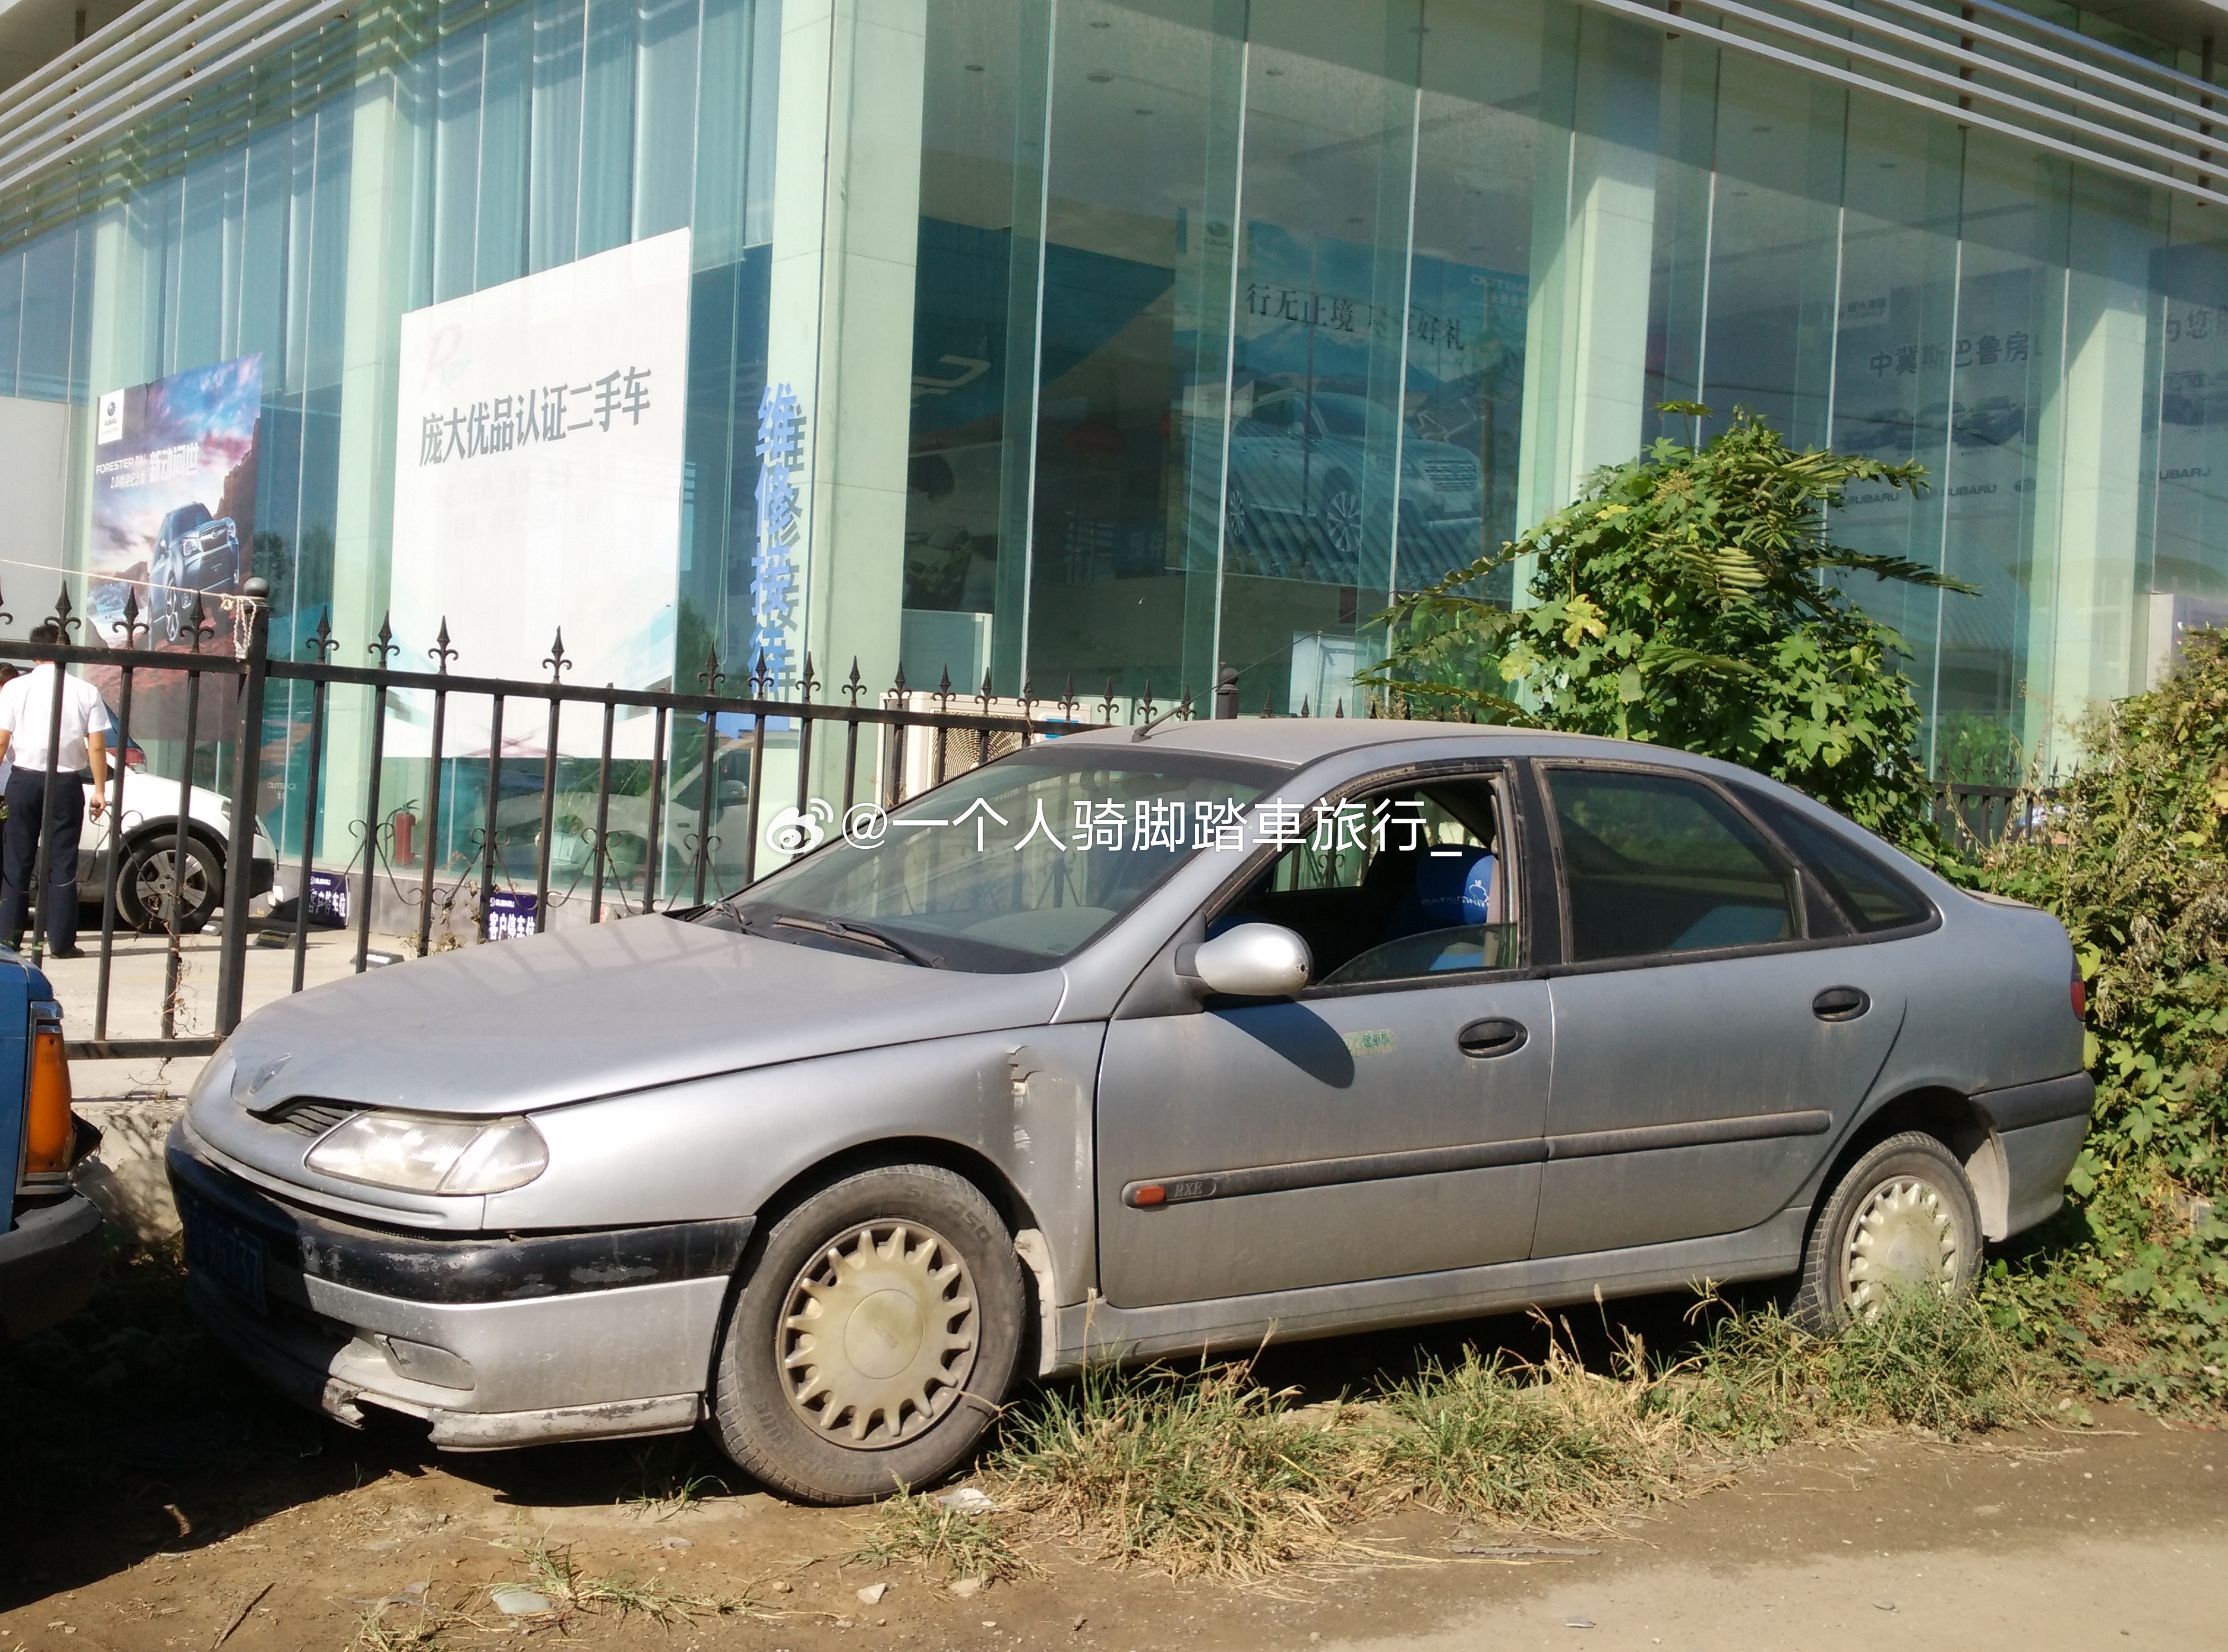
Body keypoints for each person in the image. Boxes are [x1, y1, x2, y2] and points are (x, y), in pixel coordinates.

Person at [0, 631, 111, 958]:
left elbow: (2, 740)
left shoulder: (15, 688)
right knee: (62, 861)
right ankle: (62, 942)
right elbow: (97, 745)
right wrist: (100, 789)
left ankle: (8, 941)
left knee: (17, 860)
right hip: (65, 783)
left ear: (35, 653)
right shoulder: (85, 690)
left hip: (24, 779)